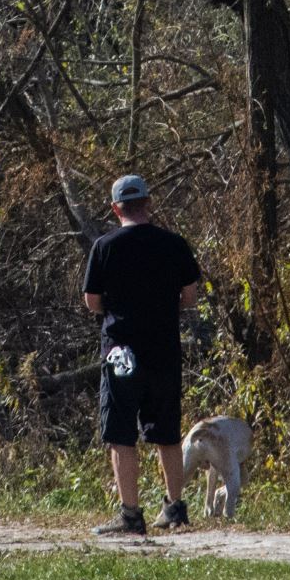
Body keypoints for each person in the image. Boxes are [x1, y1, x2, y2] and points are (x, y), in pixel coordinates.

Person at [81, 174, 202, 535]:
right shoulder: (175, 244)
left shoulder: (105, 246)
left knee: (120, 433)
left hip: (121, 353)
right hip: (164, 350)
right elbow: (190, 297)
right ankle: (175, 509)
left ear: (116, 208)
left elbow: (92, 302)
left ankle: (131, 515)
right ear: (148, 203)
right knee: (166, 431)